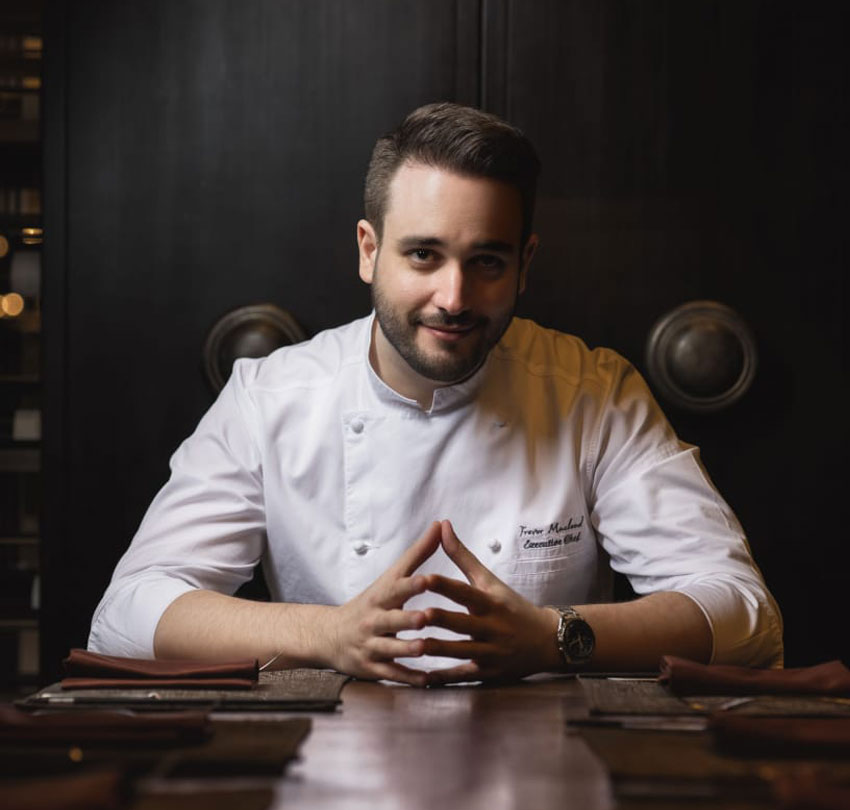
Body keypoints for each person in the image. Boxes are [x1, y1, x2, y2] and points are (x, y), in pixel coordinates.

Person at [89, 102, 783, 686]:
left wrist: (553, 636)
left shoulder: (595, 393)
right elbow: (126, 617)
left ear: (524, 264)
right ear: (369, 250)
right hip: (332, 771)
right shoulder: (269, 398)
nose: (454, 297)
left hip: (543, 770)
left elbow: (744, 615)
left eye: (487, 261)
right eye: (424, 255)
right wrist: (327, 634)